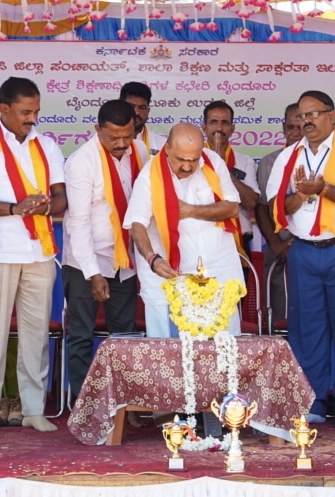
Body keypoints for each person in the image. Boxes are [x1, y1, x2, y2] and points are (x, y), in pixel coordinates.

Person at [266, 91, 335, 429]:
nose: (307, 121)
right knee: (307, 330)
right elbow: (275, 207)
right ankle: (312, 401)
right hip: (304, 251)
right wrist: (301, 195)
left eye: (313, 114)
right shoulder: (288, 157)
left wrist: (324, 189)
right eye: (301, 116)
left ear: (332, 115)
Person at [0, 76, 67, 432]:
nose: (32, 118)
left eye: (36, 111)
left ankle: (33, 410)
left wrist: (46, 207)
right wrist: (15, 208)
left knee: (36, 335)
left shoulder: (48, 146)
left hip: (40, 253)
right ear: (4, 109)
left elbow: (62, 197)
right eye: (25, 112)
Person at [127, 123, 245, 337]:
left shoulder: (213, 162)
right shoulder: (149, 176)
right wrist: (153, 259)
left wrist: (190, 210)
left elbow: (232, 208)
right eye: (181, 159)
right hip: (170, 277)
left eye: (193, 160)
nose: (188, 167)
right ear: (167, 148)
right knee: (169, 350)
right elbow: (137, 224)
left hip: (217, 272)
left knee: (223, 348)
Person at [62, 99, 141, 406]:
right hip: (86, 263)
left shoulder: (139, 153)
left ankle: (124, 406)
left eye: (127, 136)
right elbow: (78, 222)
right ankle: (85, 408)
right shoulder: (82, 162)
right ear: (97, 129)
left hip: (124, 262)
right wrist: (93, 273)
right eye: (113, 138)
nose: (121, 144)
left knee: (124, 340)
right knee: (82, 336)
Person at [255, 103, 302, 325]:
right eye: (290, 127)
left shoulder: (324, 161)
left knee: (312, 313)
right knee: (280, 317)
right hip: (280, 249)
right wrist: (276, 244)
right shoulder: (269, 162)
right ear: (283, 128)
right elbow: (262, 207)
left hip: (313, 248)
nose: (295, 133)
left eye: (301, 127)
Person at [201, 100, 260, 249]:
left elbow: (251, 203)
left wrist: (223, 167)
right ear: (204, 127)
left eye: (225, 123)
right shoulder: (192, 160)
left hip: (238, 240)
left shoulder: (245, 161)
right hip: (202, 240)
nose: (219, 128)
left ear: (232, 128)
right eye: (213, 122)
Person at [121, 81, 155, 162]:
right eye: (131, 106)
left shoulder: (161, 144)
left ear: (148, 111)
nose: (136, 112)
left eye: (142, 107)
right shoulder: (104, 143)